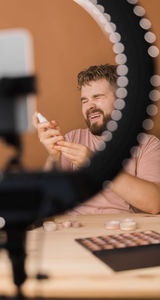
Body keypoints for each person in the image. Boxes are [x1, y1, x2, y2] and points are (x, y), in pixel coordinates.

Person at [33, 64, 160, 215]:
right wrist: (53, 157)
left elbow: (154, 204)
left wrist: (97, 165)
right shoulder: (73, 139)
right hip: (74, 229)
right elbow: (46, 200)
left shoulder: (147, 144)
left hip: (121, 230)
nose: (90, 106)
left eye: (97, 97)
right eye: (84, 100)